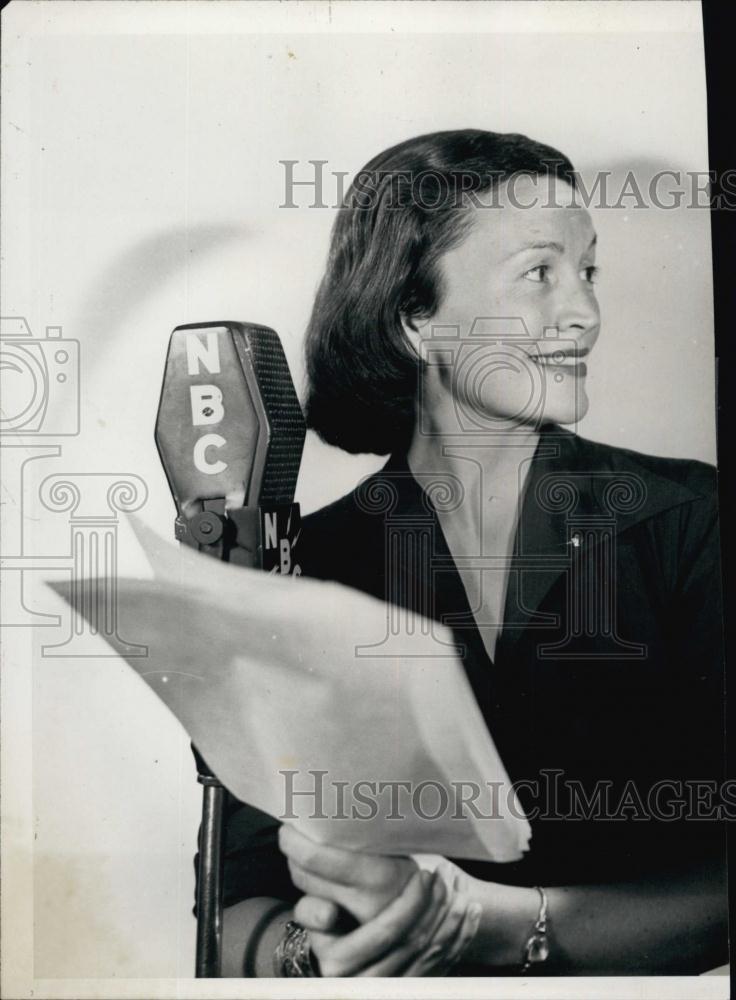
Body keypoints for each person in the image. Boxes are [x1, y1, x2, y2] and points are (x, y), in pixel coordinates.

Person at [210, 130, 728, 977]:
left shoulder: (692, 522)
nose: (585, 313)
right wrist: (316, 950)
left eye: (588, 272)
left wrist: (498, 927)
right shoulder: (308, 563)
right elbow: (236, 907)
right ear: (416, 317)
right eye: (539, 273)